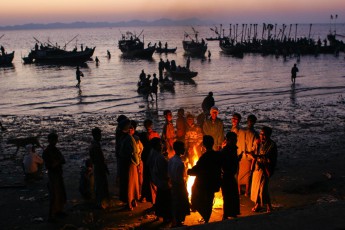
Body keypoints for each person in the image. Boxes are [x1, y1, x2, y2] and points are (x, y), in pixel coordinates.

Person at [187, 135, 222, 223]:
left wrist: (189, 171)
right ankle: (206, 217)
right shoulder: (217, 155)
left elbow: (198, 169)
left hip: (204, 183)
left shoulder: (205, 157)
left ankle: (205, 216)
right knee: (209, 201)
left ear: (204, 145)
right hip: (213, 183)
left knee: (197, 198)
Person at [250, 126, 278, 213]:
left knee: (263, 189)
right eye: (261, 134)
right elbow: (253, 151)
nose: (262, 136)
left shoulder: (272, 145)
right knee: (255, 187)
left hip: (265, 168)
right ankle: (258, 204)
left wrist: (258, 157)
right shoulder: (259, 142)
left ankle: (269, 206)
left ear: (269, 135)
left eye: (264, 135)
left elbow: (269, 158)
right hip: (257, 168)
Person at [42, 132, 67, 222]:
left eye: (55, 140)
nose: (54, 142)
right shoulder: (46, 152)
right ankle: (51, 215)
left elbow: (63, 160)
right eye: (52, 140)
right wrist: (57, 162)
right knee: (54, 194)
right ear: (49, 140)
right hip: (53, 175)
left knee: (60, 193)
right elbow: (51, 165)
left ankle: (58, 211)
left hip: (58, 173)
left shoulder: (55, 150)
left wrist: (57, 162)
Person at [149, 137, 172, 223]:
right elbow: (164, 172)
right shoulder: (159, 158)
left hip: (158, 181)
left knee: (160, 199)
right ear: (156, 146)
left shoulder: (153, 153)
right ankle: (166, 218)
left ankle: (159, 215)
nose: (162, 146)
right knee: (165, 200)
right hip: (163, 182)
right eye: (160, 144)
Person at [168, 141, 190, 227]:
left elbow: (169, 173)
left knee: (175, 203)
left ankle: (175, 221)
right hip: (179, 185)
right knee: (181, 203)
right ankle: (178, 223)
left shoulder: (171, 160)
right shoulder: (180, 163)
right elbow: (180, 178)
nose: (184, 149)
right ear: (179, 149)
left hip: (173, 184)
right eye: (183, 147)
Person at [138, 119, 160, 205]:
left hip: (151, 157)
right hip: (148, 157)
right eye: (148, 127)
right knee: (148, 177)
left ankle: (151, 196)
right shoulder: (144, 135)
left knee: (150, 177)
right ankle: (147, 196)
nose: (149, 128)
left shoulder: (154, 134)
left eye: (150, 126)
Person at [220, 132, 240, 220]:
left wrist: (237, 160)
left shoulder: (233, 149)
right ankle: (225, 214)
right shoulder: (225, 150)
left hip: (231, 175)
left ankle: (232, 213)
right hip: (226, 175)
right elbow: (224, 164)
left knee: (234, 194)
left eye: (235, 140)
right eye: (233, 140)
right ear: (227, 140)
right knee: (227, 195)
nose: (235, 141)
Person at [238, 114, 259, 197]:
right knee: (248, 174)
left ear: (247, 121)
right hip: (249, 156)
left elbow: (238, 142)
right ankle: (246, 192)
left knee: (239, 174)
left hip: (241, 155)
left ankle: (239, 191)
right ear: (254, 122)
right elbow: (255, 147)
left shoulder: (241, 131)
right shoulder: (255, 133)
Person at [89, 127, 109, 209]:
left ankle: (99, 202)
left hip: (97, 166)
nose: (101, 136)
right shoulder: (95, 146)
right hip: (99, 167)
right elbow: (99, 159)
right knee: (100, 185)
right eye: (99, 134)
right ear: (96, 135)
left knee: (99, 184)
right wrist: (104, 167)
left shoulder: (94, 144)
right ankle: (100, 203)